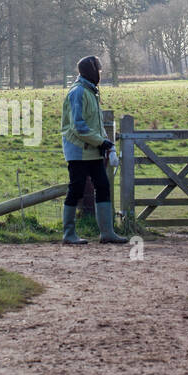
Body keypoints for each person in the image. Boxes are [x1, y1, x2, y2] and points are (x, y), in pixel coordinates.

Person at [60, 55, 127, 245]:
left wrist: (104, 141)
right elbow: (78, 127)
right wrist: (102, 142)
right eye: (98, 70)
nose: (100, 73)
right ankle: (69, 234)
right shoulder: (78, 93)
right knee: (76, 189)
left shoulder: (90, 92)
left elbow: (95, 124)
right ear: (91, 71)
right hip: (79, 151)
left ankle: (107, 233)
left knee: (103, 187)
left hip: (93, 149)